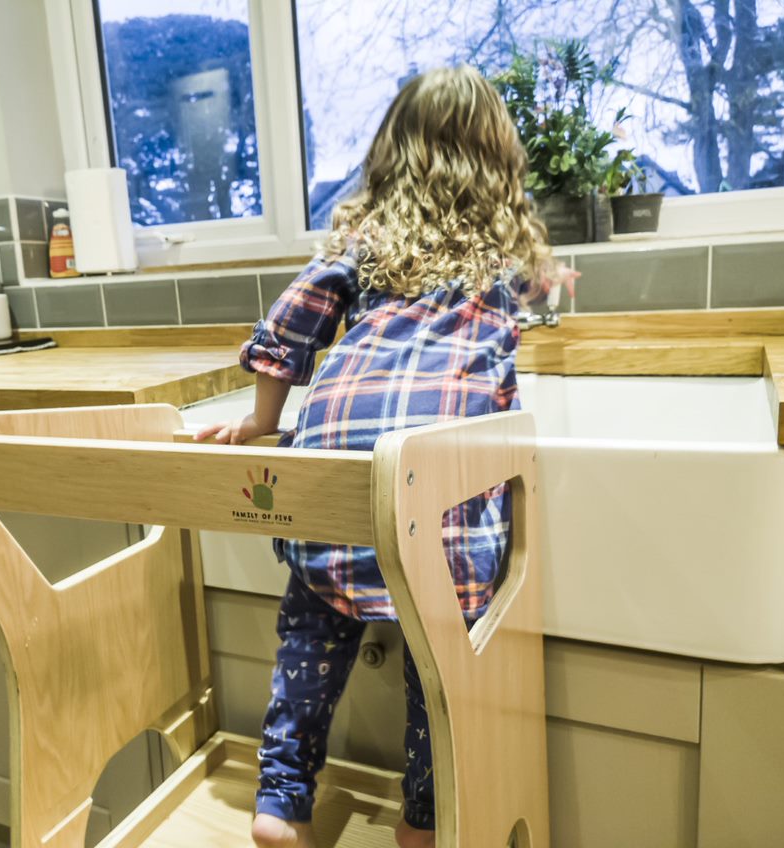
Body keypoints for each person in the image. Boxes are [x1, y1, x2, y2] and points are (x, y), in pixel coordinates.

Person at [195, 64, 569, 848]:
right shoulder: (507, 258)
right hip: (433, 486)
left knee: (309, 630)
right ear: (498, 158)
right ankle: (421, 822)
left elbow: (292, 318)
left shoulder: (363, 241)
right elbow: (532, 326)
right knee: (439, 674)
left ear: (390, 154)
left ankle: (282, 799)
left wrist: (265, 422)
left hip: (332, 465)